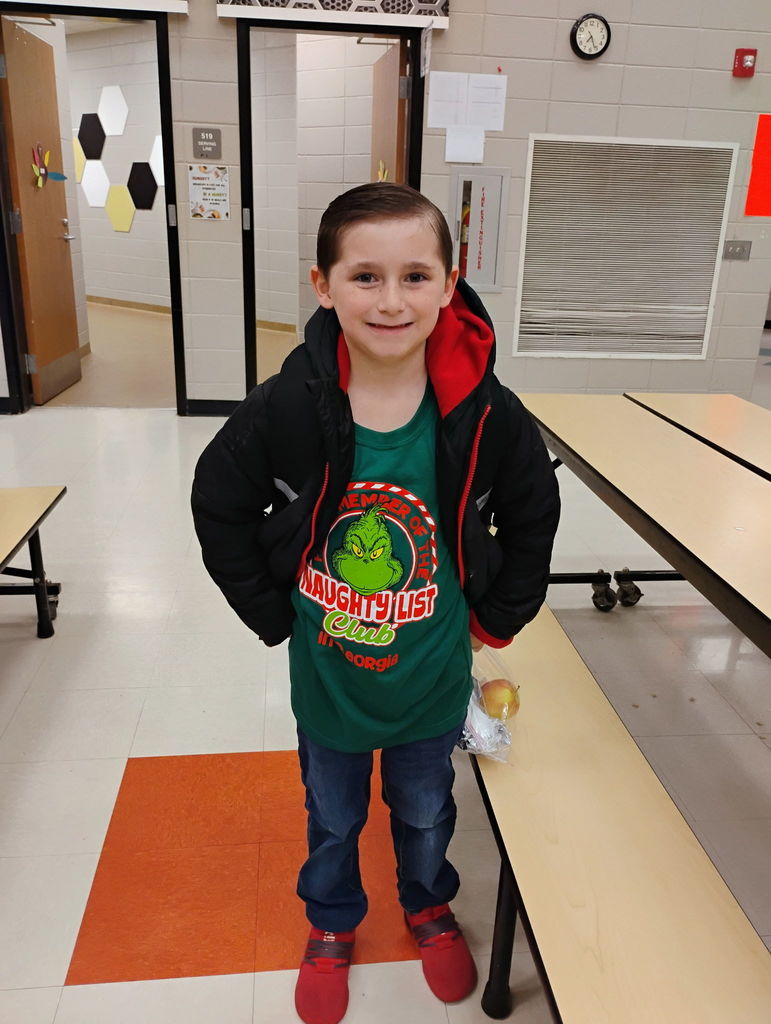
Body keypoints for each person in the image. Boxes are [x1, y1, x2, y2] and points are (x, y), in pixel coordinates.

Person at [191, 182, 560, 1024]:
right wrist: (272, 616)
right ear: (322, 285)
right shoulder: (289, 404)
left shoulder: (484, 410)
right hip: (331, 683)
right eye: (365, 276)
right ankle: (331, 920)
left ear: (449, 283)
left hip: (431, 678)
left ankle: (427, 904)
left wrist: (496, 618)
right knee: (333, 818)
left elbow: (533, 513)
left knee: (425, 812)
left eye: (414, 276)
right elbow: (218, 502)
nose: (391, 301)